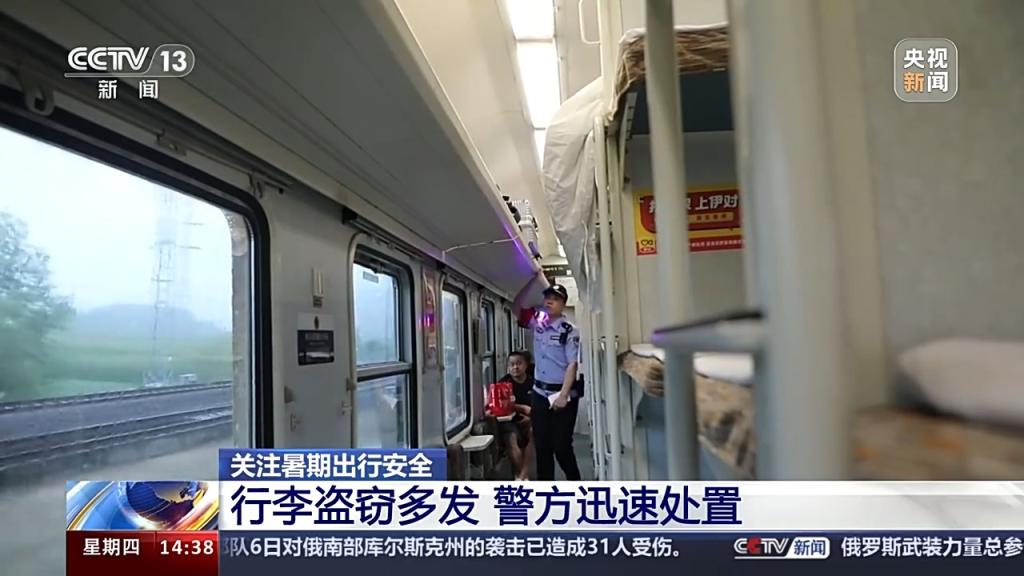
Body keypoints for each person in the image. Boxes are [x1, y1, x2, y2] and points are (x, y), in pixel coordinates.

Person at [515, 283, 582, 481]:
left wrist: (563, 395)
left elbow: (572, 364)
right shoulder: (538, 323)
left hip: (562, 393)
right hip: (539, 393)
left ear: (563, 304)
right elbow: (517, 305)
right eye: (547, 298)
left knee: (561, 446)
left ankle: (576, 485)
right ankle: (546, 490)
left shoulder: (569, 331)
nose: (550, 302)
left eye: (556, 299)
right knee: (542, 446)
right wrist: (531, 281)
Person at [497, 351, 534, 481]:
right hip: (510, 421)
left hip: (531, 421)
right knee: (511, 439)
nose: (515, 367)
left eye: (519, 363)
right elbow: (500, 405)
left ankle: (522, 475)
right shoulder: (503, 383)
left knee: (534, 433)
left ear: (526, 365)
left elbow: (540, 407)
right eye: (512, 364)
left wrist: (531, 418)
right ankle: (522, 476)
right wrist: (520, 408)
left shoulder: (534, 383)